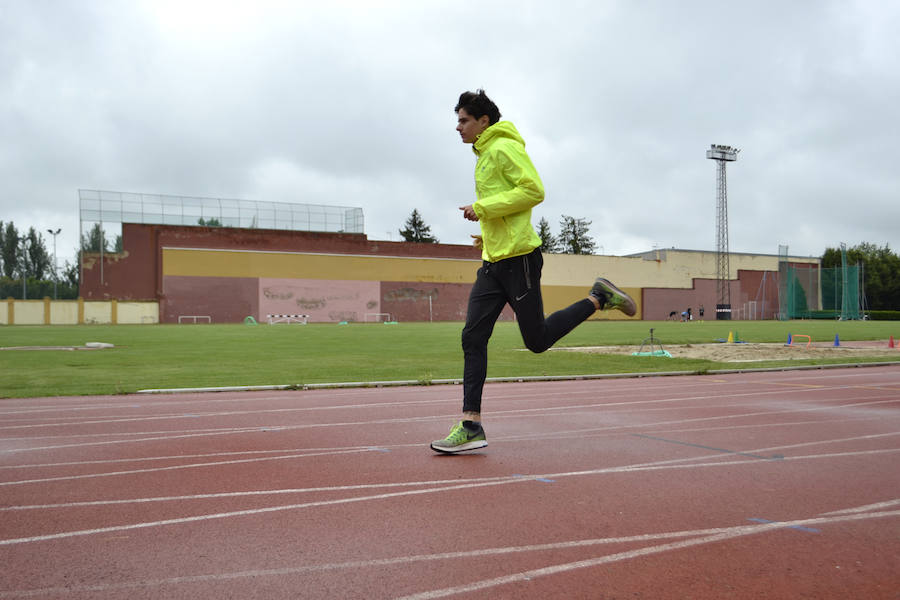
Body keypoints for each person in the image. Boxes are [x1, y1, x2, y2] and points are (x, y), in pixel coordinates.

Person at [430, 90, 636, 454]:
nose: (457, 127)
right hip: (493, 264)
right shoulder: (484, 154)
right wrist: (488, 233)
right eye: (457, 120)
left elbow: (534, 190)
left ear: (483, 122)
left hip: (521, 260)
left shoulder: (503, 148)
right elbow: (506, 209)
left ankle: (598, 297)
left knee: (536, 340)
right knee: (472, 338)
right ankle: (471, 424)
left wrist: (483, 208)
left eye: (463, 120)